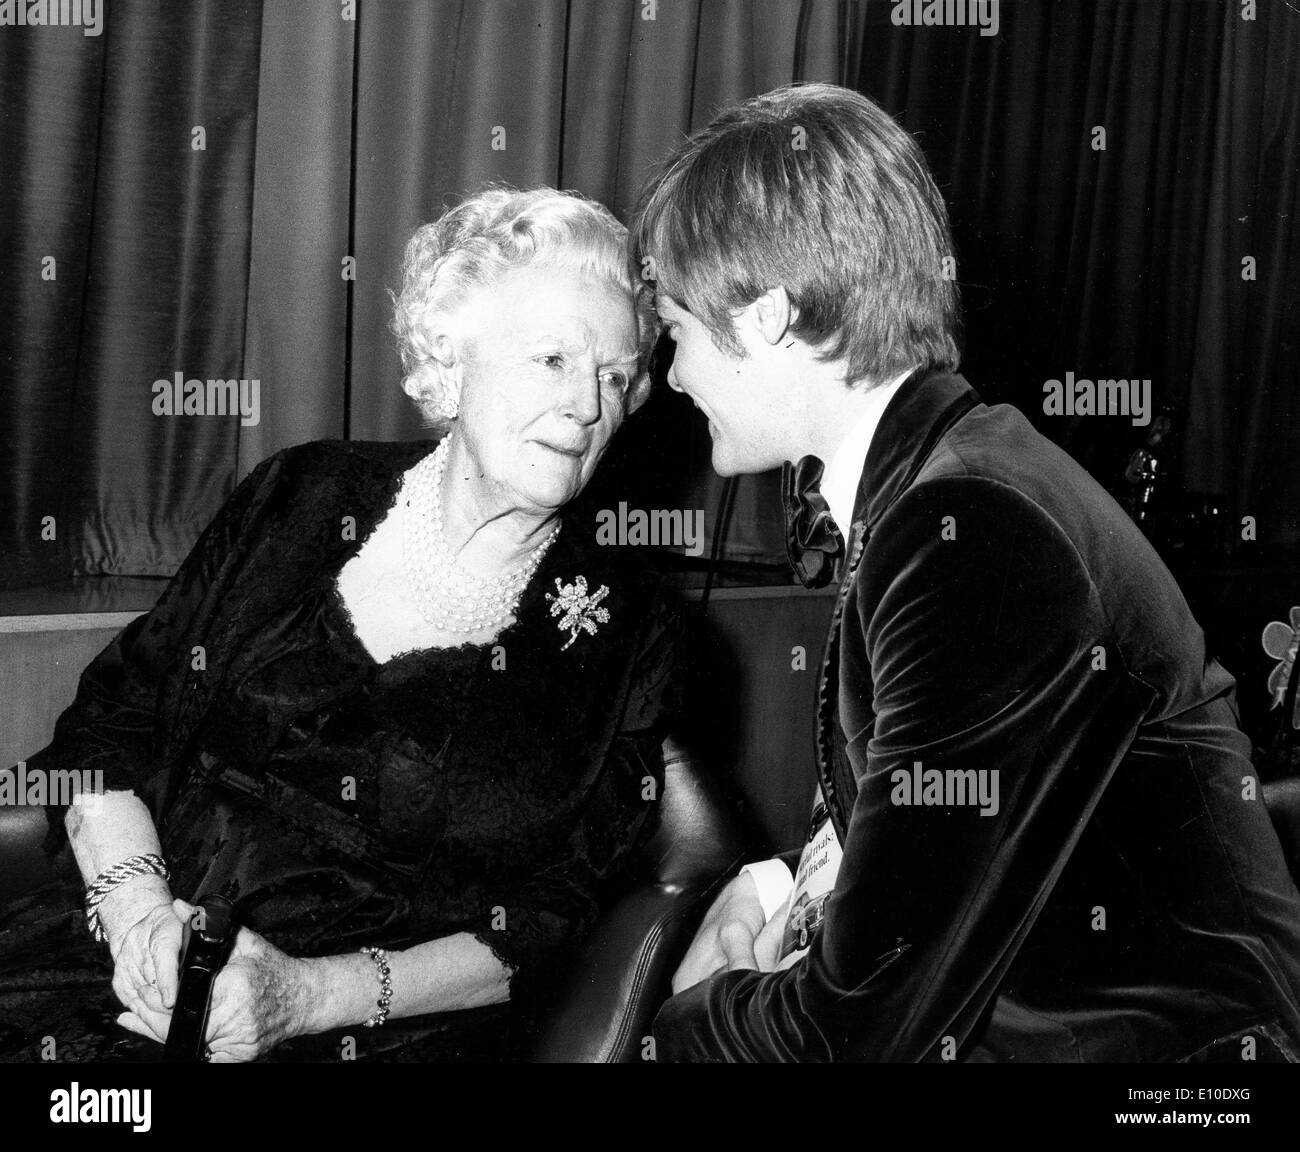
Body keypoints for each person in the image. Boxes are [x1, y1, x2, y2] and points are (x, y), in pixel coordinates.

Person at [631, 82, 1300, 1062]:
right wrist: (775, 886)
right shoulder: (956, 476)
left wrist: (677, 1025)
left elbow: (860, 1026)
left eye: (679, 332)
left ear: (768, 316)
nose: (673, 375)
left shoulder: (972, 528)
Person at [0, 186, 685, 1062]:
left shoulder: (632, 625)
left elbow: (552, 921)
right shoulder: (303, 495)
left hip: (361, 1026)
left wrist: (308, 998)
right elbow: (112, 723)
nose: (588, 407)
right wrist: (136, 915)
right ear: (452, 354)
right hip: (121, 952)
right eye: (552, 359)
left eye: (614, 377)